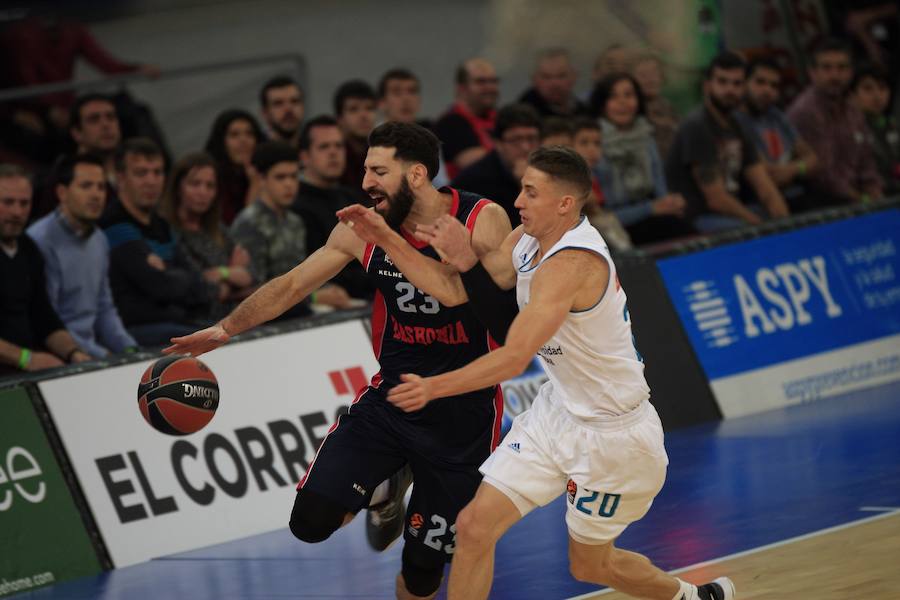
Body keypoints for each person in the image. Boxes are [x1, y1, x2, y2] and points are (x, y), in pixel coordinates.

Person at [164, 122, 513, 600]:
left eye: (377, 170)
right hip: (393, 399)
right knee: (309, 522)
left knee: (423, 574)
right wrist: (226, 328)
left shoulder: (482, 219)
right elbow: (291, 284)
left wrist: (384, 238)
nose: (366, 181)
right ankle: (388, 487)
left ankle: (403, 500)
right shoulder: (360, 227)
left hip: (464, 413)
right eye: (365, 169)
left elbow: (454, 293)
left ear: (414, 175)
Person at [384, 146, 734, 600]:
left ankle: (689, 597)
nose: (518, 202)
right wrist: (395, 238)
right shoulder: (528, 239)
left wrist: (434, 387)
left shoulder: (572, 264)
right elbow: (463, 287)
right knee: (472, 527)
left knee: (589, 565)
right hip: (557, 412)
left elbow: (513, 358)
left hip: (614, 436)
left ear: (564, 204)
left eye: (530, 193)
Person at [101, 138, 213, 345]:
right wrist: (176, 278)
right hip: (138, 331)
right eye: (141, 173)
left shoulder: (161, 224)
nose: (151, 181)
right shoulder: (114, 224)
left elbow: (199, 285)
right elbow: (160, 287)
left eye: (157, 172)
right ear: (121, 178)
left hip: (176, 321)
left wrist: (169, 273)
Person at [27, 154, 137, 358]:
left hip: (92, 351)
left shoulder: (99, 239)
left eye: (101, 187)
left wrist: (129, 348)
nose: (96, 195)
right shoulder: (39, 240)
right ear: (62, 192)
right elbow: (46, 320)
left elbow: (104, 306)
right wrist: (99, 354)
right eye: (86, 186)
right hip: (62, 354)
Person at [665, 51, 789, 232]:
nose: (730, 90)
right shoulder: (696, 126)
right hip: (700, 216)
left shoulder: (738, 125)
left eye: (737, 83)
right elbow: (716, 199)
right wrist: (760, 227)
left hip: (732, 210)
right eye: (722, 82)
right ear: (707, 86)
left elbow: (763, 183)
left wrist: (787, 222)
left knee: (777, 211)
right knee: (750, 226)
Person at [230, 141, 351, 314]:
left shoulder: (295, 221)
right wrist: (314, 297)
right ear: (262, 179)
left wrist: (329, 289)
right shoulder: (249, 224)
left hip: (298, 309)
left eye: (294, 176)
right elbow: (247, 291)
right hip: (265, 320)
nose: (289, 184)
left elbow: (302, 273)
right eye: (280, 177)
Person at [0, 164, 92, 377]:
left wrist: (74, 353)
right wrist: (26, 358)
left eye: (24, 203)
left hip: (27, 365)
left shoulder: (28, 248)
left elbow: (42, 315)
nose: (17, 212)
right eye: (8, 202)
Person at [591, 73, 695, 245]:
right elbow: (602, 214)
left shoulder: (646, 136)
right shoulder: (593, 142)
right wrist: (651, 208)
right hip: (614, 227)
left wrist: (670, 204)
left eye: (628, 95)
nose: (622, 102)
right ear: (602, 105)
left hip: (654, 217)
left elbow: (660, 190)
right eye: (613, 96)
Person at [159, 152, 257, 321]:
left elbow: (252, 275)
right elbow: (200, 286)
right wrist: (233, 275)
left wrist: (222, 272)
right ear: (178, 187)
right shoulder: (168, 232)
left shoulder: (218, 230)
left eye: (210, 186)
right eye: (195, 184)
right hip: (199, 320)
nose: (203, 192)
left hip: (238, 315)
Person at [787, 38, 883, 204]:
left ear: (850, 72)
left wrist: (874, 190)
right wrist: (861, 199)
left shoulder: (853, 110)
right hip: (822, 202)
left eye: (841, 68)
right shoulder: (806, 112)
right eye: (827, 68)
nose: (835, 75)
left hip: (857, 198)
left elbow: (866, 161)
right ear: (813, 73)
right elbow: (822, 177)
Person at [293, 116, 373, 300]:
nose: (333, 153)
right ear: (304, 157)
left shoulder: (354, 197)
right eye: (324, 147)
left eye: (338, 146)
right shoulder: (296, 207)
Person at [734, 58, 821, 213]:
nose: (767, 90)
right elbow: (768, 175)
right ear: (744, 83)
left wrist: (792, 170)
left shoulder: (776, 116)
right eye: (760, 82)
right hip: (761, 203)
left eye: (774, 85)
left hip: (798, 195)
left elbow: (814, 161)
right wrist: (800, 167)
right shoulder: (735, 122)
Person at [452, 103, 542, 227]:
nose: (526, 147)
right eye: (516, 140)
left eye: (531, 138)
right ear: (498, 143)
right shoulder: (473, 181)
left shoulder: (549, 172)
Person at [434, 58, 500, 178]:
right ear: (461, 88)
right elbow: (479, 166)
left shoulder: (499, 119)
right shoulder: (450, 124)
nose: (490, 87)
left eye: (493, 81)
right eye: (481, 82)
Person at [204, 109, 264, 224]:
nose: (243, 140)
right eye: (234, 135)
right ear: (221, 142)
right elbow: (242, 228)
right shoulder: (211, 180)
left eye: (249, 134)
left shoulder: (267, 172)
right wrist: (255, 184)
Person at [851, 64, 900, 196]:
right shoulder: (848, 130)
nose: (877, 95)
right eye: (868, 89)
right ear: (852, 95)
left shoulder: (892, 125)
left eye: (882, 88)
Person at [519, 48, 590, 119]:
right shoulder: (523, 115)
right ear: (534, 79)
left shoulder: (586, 112)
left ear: (574, 77)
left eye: (561, 76)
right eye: (546, 77)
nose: (555, 83)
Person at [632, 53, 679, 158]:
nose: (650, 80)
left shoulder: (669, 108)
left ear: (662, 77)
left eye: (654, 74)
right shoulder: (631, 110)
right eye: (643, 75)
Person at [334, 80, 378, 192]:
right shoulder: (333, 158)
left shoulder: (382, 156)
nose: (364, 115)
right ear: (339, 119)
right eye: (354, 109)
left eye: (369, 108)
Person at [259, 75, 305, 150]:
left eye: (294, 101)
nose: (288, 109)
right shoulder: (253, 152)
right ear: (265, 113)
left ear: (302, 107)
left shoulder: (315, 149)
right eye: (278, 103)